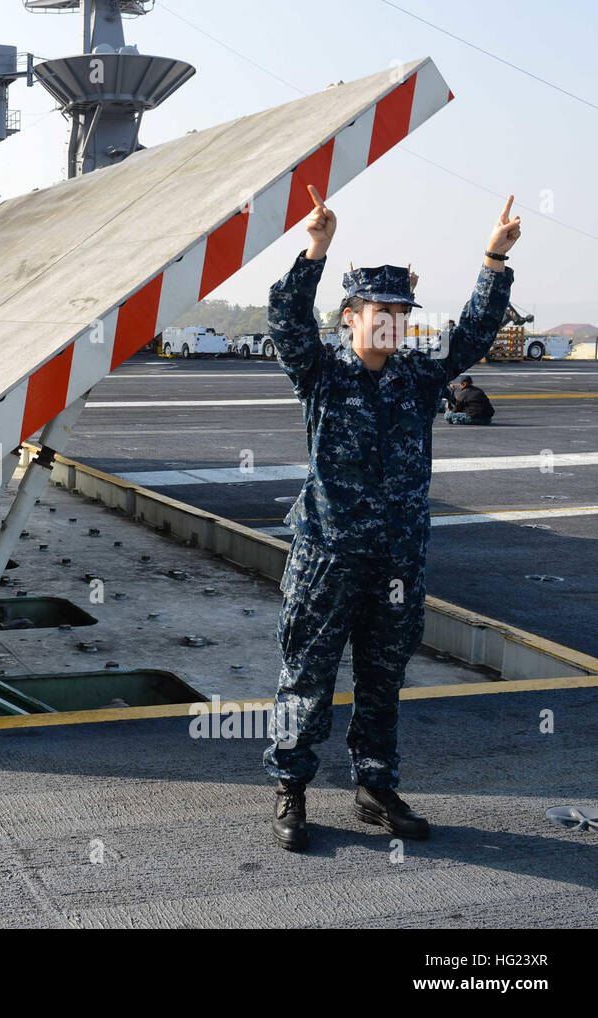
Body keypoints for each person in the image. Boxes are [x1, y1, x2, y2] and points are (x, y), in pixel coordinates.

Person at [263, 185, 519, 852]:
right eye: (380, 309)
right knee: (307, 677)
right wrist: (315, 251)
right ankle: (291, 788)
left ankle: (375, 788)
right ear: (351, 316)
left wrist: (493, 260)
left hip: (398, 561)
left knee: (383, 678)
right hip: (327, 556)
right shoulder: (320, 373)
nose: (393, 321)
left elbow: (473, 334)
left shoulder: (420, 376)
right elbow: (286, 320)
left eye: (402, 311)